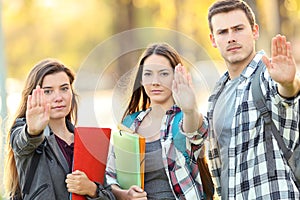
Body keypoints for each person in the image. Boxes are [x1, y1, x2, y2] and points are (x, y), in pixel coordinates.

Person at [201, 0, 300, 199]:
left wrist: (289, 85)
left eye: (238, 29)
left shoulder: (268, 76)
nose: (231, 38)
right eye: (223, 32)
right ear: (213, 40)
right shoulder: (216, 95)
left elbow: (286, 99)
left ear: (254, 31)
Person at [105, 43, 214, 199]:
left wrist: (190, 110)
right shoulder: (130, 123)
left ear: (177, 77)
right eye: (148, 74)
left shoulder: (183, 119)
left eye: (163, 74)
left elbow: (197, 132)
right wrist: (124, 195)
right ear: (141, 80)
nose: (155, 82)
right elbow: (111, 176)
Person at [4, 58, 115, 200]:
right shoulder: (25, 133)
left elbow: (109, 194)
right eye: (48, 91)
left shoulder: (88, 141)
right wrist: (32, 131)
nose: (58, 97)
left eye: (64, 88)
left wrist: (92, 189)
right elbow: (23, 143)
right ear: (32, 97)